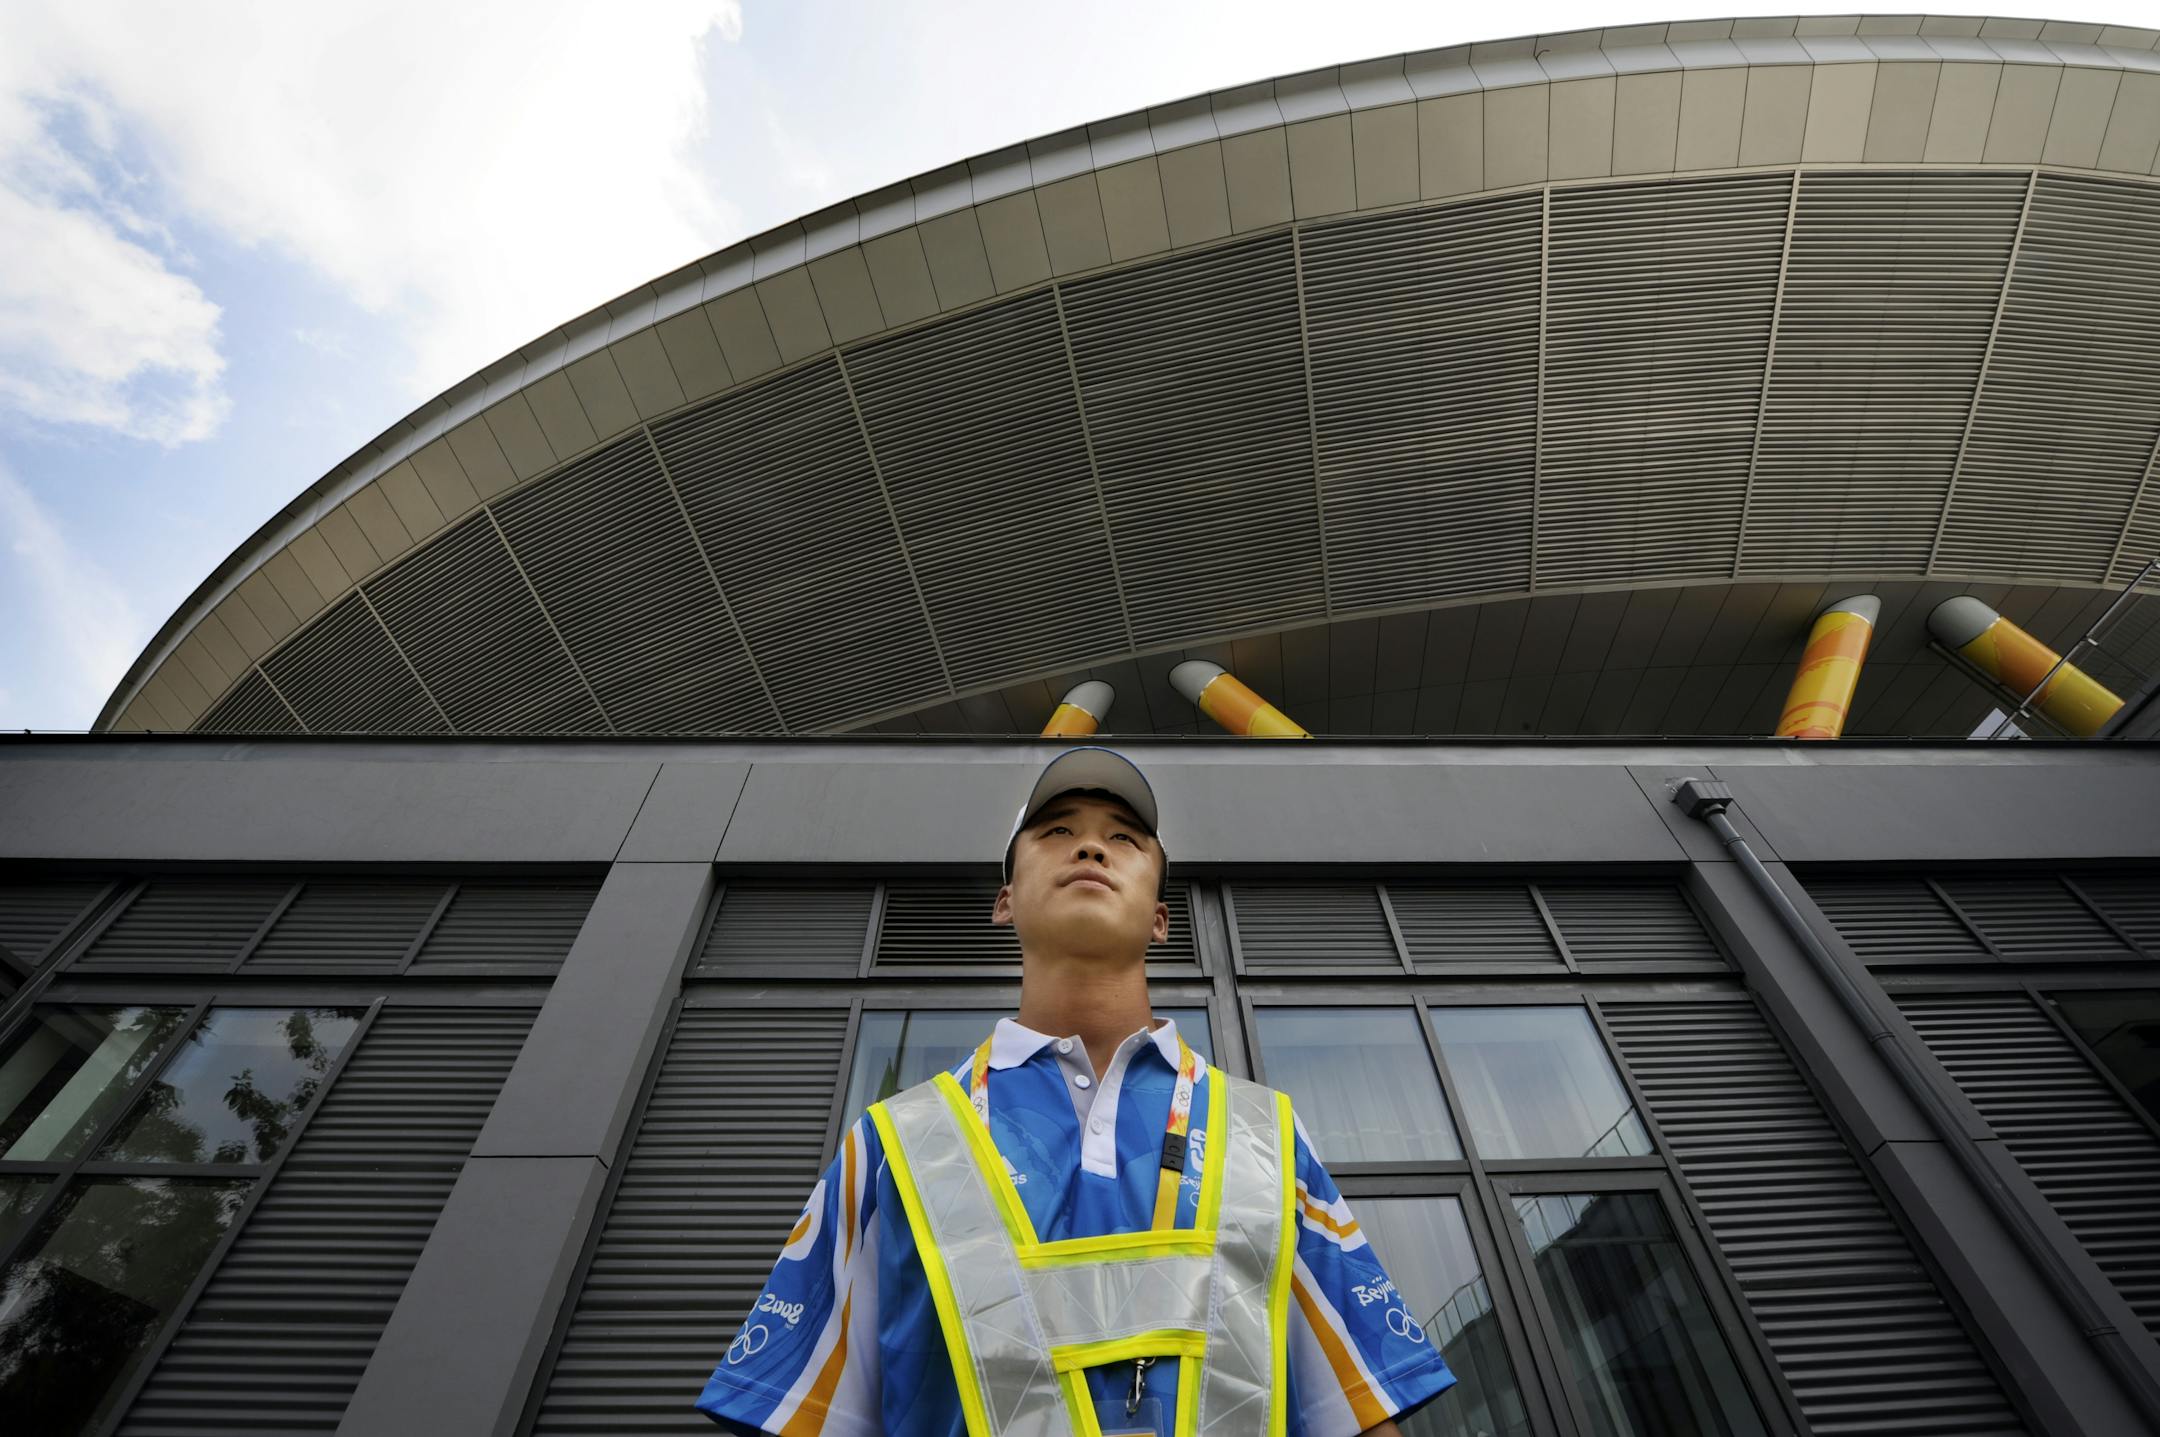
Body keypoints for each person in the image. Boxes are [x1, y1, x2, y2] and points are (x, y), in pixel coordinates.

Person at [696, 747, 1456, 1436]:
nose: (1091, 844)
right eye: (1056, 830)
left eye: (1124, 836)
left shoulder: (1267, 1134)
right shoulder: (892, 1141)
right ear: (1004, 901)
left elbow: (1359, 1415)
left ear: (1161, 918)